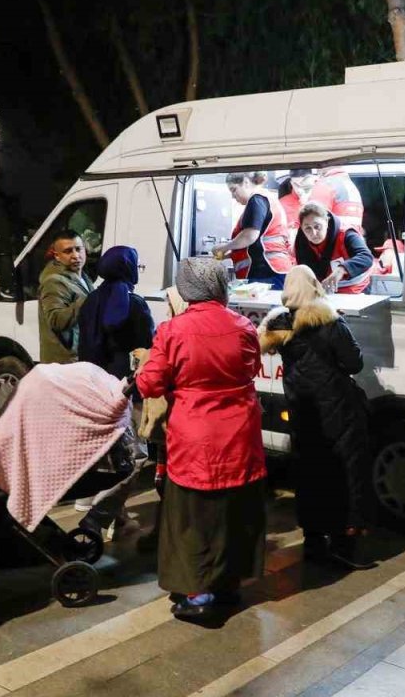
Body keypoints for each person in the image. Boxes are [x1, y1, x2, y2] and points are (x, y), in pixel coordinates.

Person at [135, 257, 267, 623]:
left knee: (194, 519)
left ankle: (199, 595)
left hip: (195, 439)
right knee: (233, 513)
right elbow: (252, 367)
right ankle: (227, 585)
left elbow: (150, 383)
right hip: (240, 433)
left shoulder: (172, 330)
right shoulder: (242, 325)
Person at [258, 266, 375, 570]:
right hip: (338, 409)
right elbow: (354, 363)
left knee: (309, 472)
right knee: (345, 472)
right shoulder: (331, 322)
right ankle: (344, 541)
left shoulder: (280, 323)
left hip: (303, 409)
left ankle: (313, 540)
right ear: (314, 286)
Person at [73, 245, 154, 536]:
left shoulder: (90, 302)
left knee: (109, 452)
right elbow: (148, 350)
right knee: (135, 455)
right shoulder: (134, 304)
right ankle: (102, 514)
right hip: (127, 389)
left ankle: (116, 517)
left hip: (95, 388)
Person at [212, 172, 293, 290]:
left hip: (267, 270)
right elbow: (257, 244)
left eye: (234, 190)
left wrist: (224, 247)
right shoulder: (265, 198)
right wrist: (229, 255)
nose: (233, 196)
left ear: (245, 182)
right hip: (275, 269)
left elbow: (250, 236)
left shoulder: (256, 199)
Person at [38, 229, 95, 364]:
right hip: (65, 361)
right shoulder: (53, 281)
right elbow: (56, 320)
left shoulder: (83, 277)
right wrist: (88, 300)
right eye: (68, 251)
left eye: (78, 249)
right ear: (57, 256)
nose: (75, 255)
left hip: (81, 356)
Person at [294, 203, 375, 294]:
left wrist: (341, 270)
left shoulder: (347, 234)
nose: (314, 233)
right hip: (327, 290)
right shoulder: (301, 242)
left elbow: (367, 257)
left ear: (326, 222)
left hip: (357, 288)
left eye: (317, 227)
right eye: (308, 228)